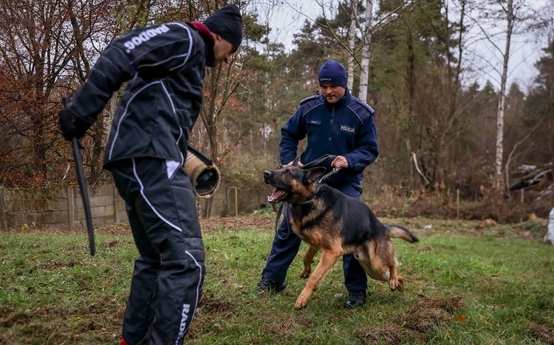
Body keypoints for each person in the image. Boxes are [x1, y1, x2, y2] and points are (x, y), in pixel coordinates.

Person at [57, 5, 243, 345]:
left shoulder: (187, 58)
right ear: (218, 37)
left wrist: (193, 160)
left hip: (142, 157)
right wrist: (81, 111)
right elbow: (121, 50)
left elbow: (160, 115)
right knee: (187, 261)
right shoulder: (186, 37)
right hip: (150, 159)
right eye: (232, 50)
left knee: (156, 259)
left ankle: (134, 340)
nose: (229, 60)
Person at [256, 60, 379, 309]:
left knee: (351, 234)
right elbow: (289, 134)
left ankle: (356, 292)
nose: (328, 91)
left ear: (344, 85)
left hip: (345, 183)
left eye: (333, 86)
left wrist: (350, 159)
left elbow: (370, 148)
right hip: (309, 182)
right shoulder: (309, 108)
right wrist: (289, 161)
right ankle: (272, 280)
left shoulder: (361, 113)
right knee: (288, 230)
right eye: (324, 86)